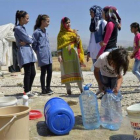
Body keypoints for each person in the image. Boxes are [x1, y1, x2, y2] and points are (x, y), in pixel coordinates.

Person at [57, 17, 85, 95]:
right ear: (63, 24)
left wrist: (77, 37)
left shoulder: (73, 32)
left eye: (69, 22)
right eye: (66, 23)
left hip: (74, 55)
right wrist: (59, 55)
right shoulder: (60, 35)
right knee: (65, 72)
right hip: (65, 56)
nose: (68, 24)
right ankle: (68, 91)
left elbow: (78, 43)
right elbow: (59, 47)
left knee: (77, 71)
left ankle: (81, 90)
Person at [14, 10, 36, 96]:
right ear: (21, 18)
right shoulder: (18, 29)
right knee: (28, 72)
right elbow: (29, 39)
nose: (28, 20)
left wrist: (27, 41)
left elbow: (28, 40)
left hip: (28, 52)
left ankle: (28, 90)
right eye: (27, 18)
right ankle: (27, 91)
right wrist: (28, 41)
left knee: (33, 73)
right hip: (24, 52)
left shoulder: (22, 28)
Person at [32, 15, 53, 95]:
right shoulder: (37, 32)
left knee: (50, 71)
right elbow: (34, 44)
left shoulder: (46, 32)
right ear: (42, 21)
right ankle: (43, 89)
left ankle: (48, 88)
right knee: (43, 72)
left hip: (48, 55)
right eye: (47, 21)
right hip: (42, 55)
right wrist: (38, 52)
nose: (49, 23)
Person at [130, 22, 140, 91]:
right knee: (138, 70)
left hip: (138, 55)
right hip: (137, 55)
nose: (131, 29)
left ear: (136, 28)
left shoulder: (138, 35)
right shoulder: (135, 35)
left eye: (132, 28)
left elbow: (139, 46)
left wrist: (133, 53)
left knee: (134, 70)